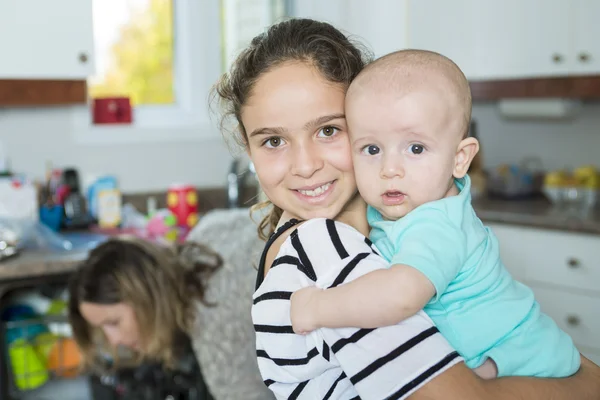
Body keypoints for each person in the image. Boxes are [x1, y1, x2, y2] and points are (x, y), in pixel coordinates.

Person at [212, 17, 600, 400]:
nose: (305, 165)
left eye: (328, 130)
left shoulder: (396, 224)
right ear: (249, 150)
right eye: (273, 141)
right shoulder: (322, 248)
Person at [289, 49, 580, 380]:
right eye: (372, 149)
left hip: (522, 356)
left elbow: (400, 296)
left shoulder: (437, 224)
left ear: (460, 158)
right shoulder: (405, 204)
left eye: (415, 148)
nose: (389, 169)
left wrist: (316, 307)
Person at [68, 216, 275, 400]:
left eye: (113, 322)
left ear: (145, 297)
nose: (114, 340)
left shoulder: (214, 328)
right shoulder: (208, 228)